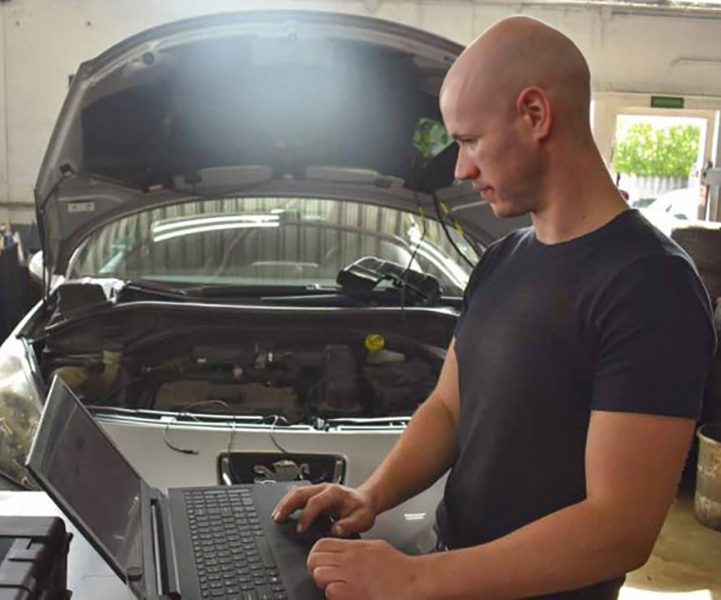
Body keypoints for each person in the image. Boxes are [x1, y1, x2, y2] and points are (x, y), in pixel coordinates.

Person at [272, 15, 716, 600]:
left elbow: (619, 529)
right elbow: (449, 410)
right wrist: (370, 495)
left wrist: (411, 577)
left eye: (470, 140)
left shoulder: (650, 285)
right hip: (452, 572)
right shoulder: (504, 258)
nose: (461, 169)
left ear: (535, 114)